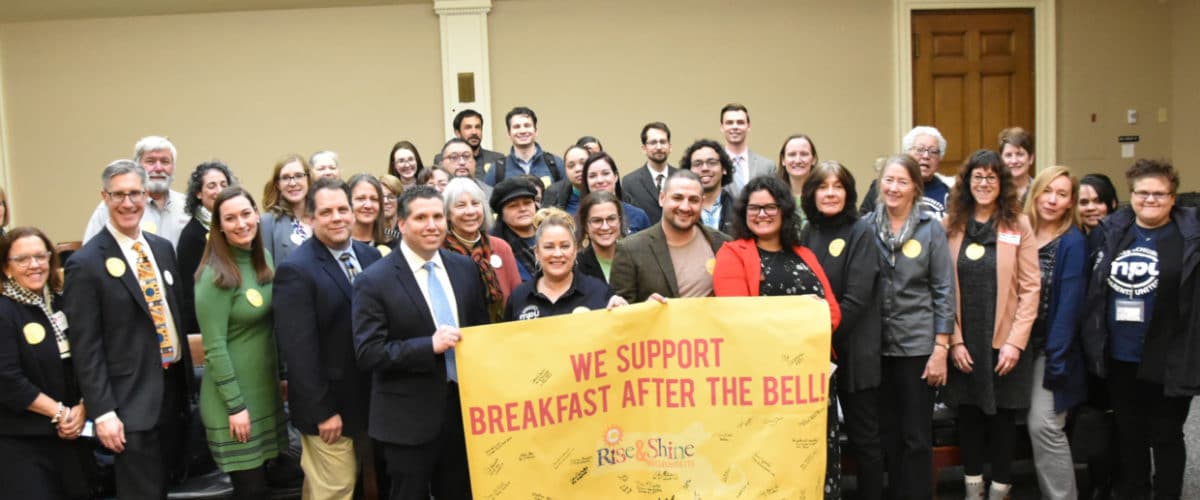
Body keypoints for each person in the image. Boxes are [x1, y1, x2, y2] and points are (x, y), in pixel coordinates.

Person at [63, 159, 195, 498]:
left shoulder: (162, 249)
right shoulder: (85, 264)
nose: (128, 203)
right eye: (118, 194)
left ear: (145, 194)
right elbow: (85, 347)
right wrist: (103, 411)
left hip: (173, 395)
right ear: (104, 197)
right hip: (128, 405)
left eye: (135, 193)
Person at [353, 185, 490, 500]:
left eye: (438, 216)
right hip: (406, 422)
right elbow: (368, 353)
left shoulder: (465, 269)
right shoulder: (373, 281)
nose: (432, 225)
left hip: (462, 417)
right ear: (401, 224)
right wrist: (428, 346)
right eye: (421, 217)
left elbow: (480, 332)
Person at [712, 175, 843, 497]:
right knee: (770, 464)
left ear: (784, 209)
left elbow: (834, 312)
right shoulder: (732, 253)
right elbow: (739, 318)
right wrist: (802, 314)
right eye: (754, 207)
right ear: (744, 213)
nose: (762, 213)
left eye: (770, 206)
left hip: (813, 379)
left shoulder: (803, 253)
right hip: (765, 381)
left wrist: (805, 320)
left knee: (815, 462)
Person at [1082, 159, 1200, 499]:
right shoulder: (1111, 232)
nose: (1151, 200)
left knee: (1166, 434)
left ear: (1173, 197)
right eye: (1143, 193)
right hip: (1120, 354)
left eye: (1160, 194)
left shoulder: (1189, 237)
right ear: (1131, 195)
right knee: (1128, 434)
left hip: (1170, 355)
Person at [274, 177, 382, 500]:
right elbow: (299, 350)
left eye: (342, 209)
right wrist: (323, 411)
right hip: (328, 409)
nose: (336, 217)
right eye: (326, 212)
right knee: (334, 490)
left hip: (371, 403)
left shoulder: (371, 257)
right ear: (309, 219)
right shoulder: (296, 270)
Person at [942, 149, 1040, 499]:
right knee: (968, 417)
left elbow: (1031, 288)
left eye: (991, 177)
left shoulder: (1019, 224)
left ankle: (1000, 489)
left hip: (1005, 343)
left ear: (1002, 183)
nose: (984, 183)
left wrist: (1015, 342)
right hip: (963, 341)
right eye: (977, 177)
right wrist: (953, 340)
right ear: (967, 182)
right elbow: (941, 289)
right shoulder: (950, 224)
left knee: (1002, 421)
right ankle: (972, 488)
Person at [866, 154, 954, 500]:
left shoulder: (931, 228)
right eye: (889, 180)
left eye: (903, 181)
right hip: (878, 348)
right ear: (879, 183)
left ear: (916, 188)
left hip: (919, 347)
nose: (894, 188)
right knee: (888, 433)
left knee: (916, 436)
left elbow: (944, 289)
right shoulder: (866, 226)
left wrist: (941, 349)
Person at [194, 186, 287, 499]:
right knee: (251, 491)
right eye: (230, 218)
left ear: (257, 215)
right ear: (219, 226)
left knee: (267, 487)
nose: (241, 223)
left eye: (246, 214)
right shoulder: (214, 275)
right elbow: (215, 348)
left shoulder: (265, 260)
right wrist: (236, 407)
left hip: (264, 394)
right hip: (234, 405)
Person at [798, 161, 884, 500]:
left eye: (838, 186)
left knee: (865, 438)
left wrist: (823, 336)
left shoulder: (861, 231)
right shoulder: (806, 232)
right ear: (811, 193)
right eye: (822, 187)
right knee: (817, 435)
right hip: (816, 353)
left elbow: (857, 297)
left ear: (848, 193)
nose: (830, 193)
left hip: (854, 349)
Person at [0, 228, 93, 499]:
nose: (34, 265)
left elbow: (88, 360)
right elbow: (7, 379)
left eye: (41, 256)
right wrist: (60, 414)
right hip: (22, 443)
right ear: (6, 267)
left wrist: (84, 407)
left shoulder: (60, 303)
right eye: (23, 259)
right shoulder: (5, 311)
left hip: (72, 436)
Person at [1021, 166, 1088, 500]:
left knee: (1045, 425)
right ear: (1035, 193)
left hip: (1051, 349)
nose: (1052, 199)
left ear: (1070, 202)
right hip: (1015, 345)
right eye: (1047, 191)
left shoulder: (1073, 242)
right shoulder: (1019, 230)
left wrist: (1057, 364)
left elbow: (1068, 310)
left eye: (1062, 194)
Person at [610, 170, 731, 302]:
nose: (685, 207)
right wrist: (644, 308)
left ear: (702, 203)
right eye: (677, 198)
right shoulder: (630, 249)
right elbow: (620, 311)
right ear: (662, 198)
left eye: (693, 200)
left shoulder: (722, 244)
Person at [504, 208, 627, 320]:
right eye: (549, 247)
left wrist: (623, 314)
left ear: (575, 250)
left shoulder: (599, 291)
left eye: (564, 246)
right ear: (537, 252)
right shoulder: (519, 297)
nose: (557, 254)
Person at [83, 136, 190, 247]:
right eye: (150, 161)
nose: (158, 168)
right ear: (137, 167)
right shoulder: (113, 206)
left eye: (165, 162)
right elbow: (89, 252)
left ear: (173, 167)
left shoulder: (188, 205)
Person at [442, 178, 522, 322]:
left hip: (501, 333)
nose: (470, 211)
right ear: (447, 213)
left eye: (475, 204)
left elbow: (517, 299)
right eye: (461, 205)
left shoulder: (501, 247)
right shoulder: (439, 252)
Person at [177, 161, 235, 336]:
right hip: (208, 330)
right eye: (212, 186)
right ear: (198, 193)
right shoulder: (192, 235)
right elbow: (191, 294)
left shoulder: (232, 228)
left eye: (224, 185)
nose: (219, 190)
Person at [860, 126, 953, 219]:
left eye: (933, 151)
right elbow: (862, 225)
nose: (926, 156)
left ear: (940, 158)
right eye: (920, 150)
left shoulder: (950, 192)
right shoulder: (886, 187)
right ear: (907, 153)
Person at [484, 106, 565, 187]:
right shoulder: (496, 170)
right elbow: (487, 199)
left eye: (527, 125)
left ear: (536, 131)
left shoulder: (556, 164)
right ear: (509, 133)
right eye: (517, 127)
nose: (522, 131)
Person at [579, 152, 651, 234]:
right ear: (586, 181)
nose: (600, 180)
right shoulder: (579, 219)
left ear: (616, 176)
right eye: (592, 176)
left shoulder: (638, 216)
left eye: (605, 173)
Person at [261, 154, 313, 264]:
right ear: (278, 185)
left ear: (308, 179)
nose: (293, 183)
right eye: (285, 178)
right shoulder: (267, 222)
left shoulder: (320, 217)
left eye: (298, 176)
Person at [622, 122, 677, 222]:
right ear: (644, 149)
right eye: (653, 143)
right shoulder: (630, 182)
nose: (659, 147)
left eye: (663, 142)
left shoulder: (682, 178)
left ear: (670, 147)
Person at [489, 178, 540, 282]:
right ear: (501, 214)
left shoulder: (553, 232)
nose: (522, 209)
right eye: (513, 206)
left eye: (527, 203)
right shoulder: (494, 246)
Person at [431, 109, 506, 180]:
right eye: (468, 127)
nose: (474, 132)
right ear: (457, 133)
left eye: (478, 127)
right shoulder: (443, 159)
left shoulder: (498, 159)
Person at [681, 139, 736, 234]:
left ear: (724, 169)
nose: (705, 168)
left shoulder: (739, 209)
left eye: (712, 162)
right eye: (697, 164)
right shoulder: (681, 209)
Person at [719, 103, 775, 196]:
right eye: (729, 123)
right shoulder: (713, 166)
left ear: (748, 126)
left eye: (740, 122)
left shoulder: (767, 166)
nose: (735, 127)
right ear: (722, 127)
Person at [576, 191, 624, 283]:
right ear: (585, 225)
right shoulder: (576, 266)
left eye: (611, 219)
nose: (605, 227)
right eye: (597, 221)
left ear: (620, 221)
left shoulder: (635, 258)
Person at [778, 134, 818, 232]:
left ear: (813, 159)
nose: (798, 160)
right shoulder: (774, 196)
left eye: (804, 154)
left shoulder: (823, 195)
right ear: (783, 160)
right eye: (792, 154)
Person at [348, 174, 392, 251]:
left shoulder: (396, 241)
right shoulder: (338, 244)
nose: (368, 205)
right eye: (360, 199)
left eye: (374, 199)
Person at [542, 145, 588, 215]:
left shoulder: (603, 189)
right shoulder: (553, 193)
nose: (578, 169)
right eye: (571, 165)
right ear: (565, 170)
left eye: (583, 163)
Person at [999, 127, 1036, 202]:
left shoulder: (1040, 191)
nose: (1014, 161)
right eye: (1008, 155)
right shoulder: (995, 192)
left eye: (1020, 154)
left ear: (1031, 159)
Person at [379, 174, 404, 242]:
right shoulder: (371, 228)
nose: (386, 201)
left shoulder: (407, 227)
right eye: (381, 197)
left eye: (391, 197)